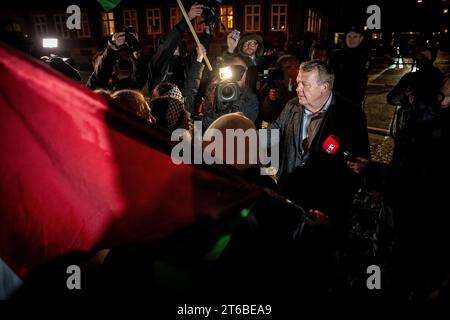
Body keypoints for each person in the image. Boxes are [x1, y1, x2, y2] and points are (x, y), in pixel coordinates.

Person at [266, 61, 370, 286]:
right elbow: (272, 133)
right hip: (291, 198)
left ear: (325, 87)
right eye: (297, 82)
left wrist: (332, 211)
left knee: (319, 267)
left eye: (304, 84)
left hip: (325, 208)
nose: (297, 88)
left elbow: (358, 167)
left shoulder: (350, 114)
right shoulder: (292, 106)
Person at [201, 54, 259, 129]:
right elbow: (207, 125)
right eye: (235, 71)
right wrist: (211, 106)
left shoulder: (250, 97)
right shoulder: (215, 90)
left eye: (242, 71)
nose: (240, 76)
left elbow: (245, 127)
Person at [328, 24, 371, 107]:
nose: (352, 40)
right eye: (349, 36)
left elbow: (363, 78)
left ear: (361, 38)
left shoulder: (365, 56)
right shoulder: (336, 55)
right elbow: (329, 77)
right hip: (337, 99)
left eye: (355, 37)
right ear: (345, 37)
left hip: (356, 100)